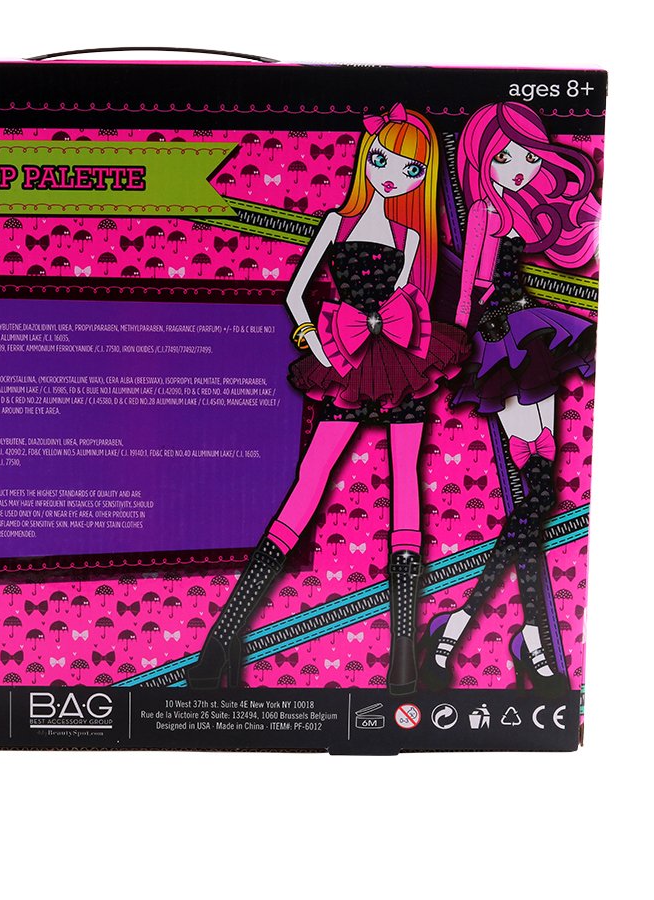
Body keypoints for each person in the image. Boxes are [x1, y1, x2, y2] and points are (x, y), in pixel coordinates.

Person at [186, 104, 468, 694]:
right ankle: (221, 642)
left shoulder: (413, 236)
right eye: (384, 160)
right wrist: (314, 336)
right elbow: (297, 293)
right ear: (368, 157)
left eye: (411, 170)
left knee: (406, 489)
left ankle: (402, 660)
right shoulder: (336, 223)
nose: (394, 175)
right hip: (344, 359)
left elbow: (408, 306)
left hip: (398, 360)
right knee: (309, 483)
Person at [420, 102, 598, 695]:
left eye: (526, 154)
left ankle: (467, 624)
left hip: (530, 338)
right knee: (535, 492)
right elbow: (470, 288)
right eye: (503, 157)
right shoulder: (483, 214)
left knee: (538, 492)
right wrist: (457, 347)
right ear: (481, 160)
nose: (517, 166)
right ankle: (525, 637)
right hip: (503, 345)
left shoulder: (523, 208)